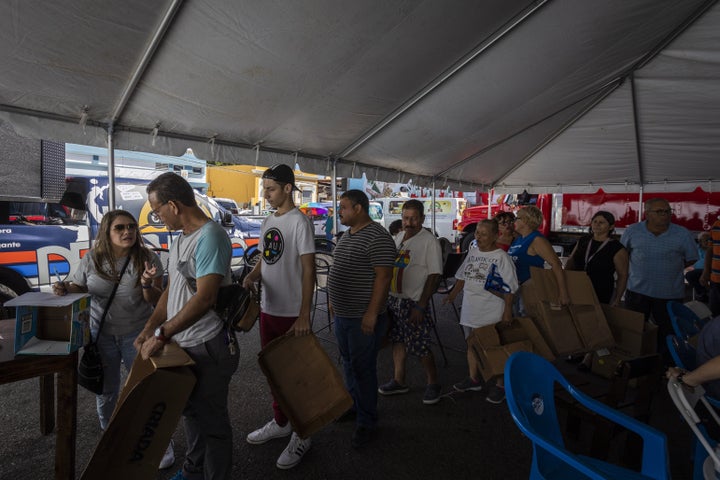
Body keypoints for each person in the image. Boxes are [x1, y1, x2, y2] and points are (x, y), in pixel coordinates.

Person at [134, 172, 239, 480]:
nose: (157, 217)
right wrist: (150, 326)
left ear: (174, 205)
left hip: (209, 345)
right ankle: (194, 470)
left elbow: (205, 299)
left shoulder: (211, 237)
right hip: (185, 344)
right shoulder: (181, 238)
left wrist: (162, 333)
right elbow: (171, 291)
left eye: (157, 211)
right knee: (191, 412)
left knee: (213, 423)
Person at [52, 210, 173, 467]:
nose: (127, 232)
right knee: (106, 392)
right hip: (101, 336)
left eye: (131, 227)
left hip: (138, 335)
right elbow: (80, 287)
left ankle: (160, 442)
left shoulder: (147, 258)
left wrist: (147, 284)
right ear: (107, 232)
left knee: (144, 389)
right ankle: (111, 435)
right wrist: (64, 288)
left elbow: (157, 301)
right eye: (120, 228)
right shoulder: (92, 259)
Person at [242, 164, 316, 470]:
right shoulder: (269, 220)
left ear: (288, 188)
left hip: (291, 313)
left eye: (270, 189)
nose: (266, 195)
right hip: (268, 309)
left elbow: (309, 270)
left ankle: (303, 433)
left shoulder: (300, 222)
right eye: (264, 189)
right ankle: (281, 421)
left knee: (295, 376)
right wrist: (250, 277)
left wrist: (304, 315)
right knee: (272, 370)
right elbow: (265, 258)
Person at [327, 189, 396, 449]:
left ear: (358, 208)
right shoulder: (347, 235)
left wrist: (371, 313)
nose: (339, 212)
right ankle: (355, 405)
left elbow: (383, 277)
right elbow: (340, 269)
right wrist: (334, 300)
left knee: (363, 368)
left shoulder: (378, 237)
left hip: (361, 317)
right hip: (344, 315)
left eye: (343, 207)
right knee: (348, 363)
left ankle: (367, 421)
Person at [443, 219, 518, 404]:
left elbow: (511, 287)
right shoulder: (473, 252)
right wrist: (452, 295)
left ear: (495, 236)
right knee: (471, 344)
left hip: (491, 310)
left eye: (484, 234)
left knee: (495, 347)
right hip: (470, 308)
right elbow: (462, 276)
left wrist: (508, 310)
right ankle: (474, 378)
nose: (479, 237)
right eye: (477, 233)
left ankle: (501, 385)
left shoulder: (502, 257)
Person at [378, 200, 443, 405]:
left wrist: (421, 305)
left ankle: (433, 383)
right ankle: (399, 380)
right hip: (395, 300)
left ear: (422, 218)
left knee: (420, 345)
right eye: (406, 218)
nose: (409, 222)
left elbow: (434, 275)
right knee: (398, 341)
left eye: (414, 218)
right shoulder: (399, 237)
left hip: (413, 302)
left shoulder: (429, 241)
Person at [621, 198, 698, 355]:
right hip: (637, 290)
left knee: (667, 333)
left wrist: (672, 267)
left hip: (669, 293)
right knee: (634, 330)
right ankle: (633, 363)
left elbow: (692, 257)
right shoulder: (633, 231)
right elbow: (623, 254)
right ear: (647, 214)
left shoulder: (682, 234)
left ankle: (664, 368)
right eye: (660, 211)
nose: (665, 215)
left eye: (668, 211)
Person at [507, 205, 569, 310]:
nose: (514, 221)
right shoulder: (519, 238)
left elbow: (556, 264)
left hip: (530, 289)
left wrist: (563, 293)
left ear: (526, 220)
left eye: (517, 218)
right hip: (516, 288)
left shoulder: (537, 240)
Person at [565, 211, 629, 306]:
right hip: (577, 285)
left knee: (595, 318)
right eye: (595, 221)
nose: (597, 225)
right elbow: (571, 260)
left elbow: (623, 275)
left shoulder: (616, 248)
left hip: (600, 290)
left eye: (601, 222)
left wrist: (617, 298)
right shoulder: (583, 240)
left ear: (611, 227)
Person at [701, 219, 720, 316]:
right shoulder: (716, 225)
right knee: (715, 313)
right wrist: (706, 271)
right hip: (715, 279)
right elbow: (710, 249)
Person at [686, 232, 710, 302]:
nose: (708, 241)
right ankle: (702, 293)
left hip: (709, 270)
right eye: (705, 240)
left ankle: (703, 293)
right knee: (689, 275)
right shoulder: (696, 248)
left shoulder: (712, 248)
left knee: (691, 275)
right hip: (697, 269)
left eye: (709, 239)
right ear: (700, 241)